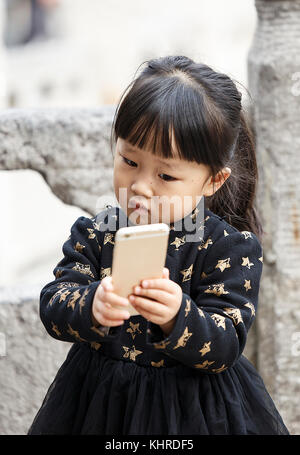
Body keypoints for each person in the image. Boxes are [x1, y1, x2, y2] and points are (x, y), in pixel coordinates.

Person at [28, 55, 289, 435]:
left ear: (213, 181)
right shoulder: (98, 232)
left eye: (166, 174)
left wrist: (178, 316)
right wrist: (92, 303)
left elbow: (227, 342)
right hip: (100, 403)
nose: (141, 186)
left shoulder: (227, 248)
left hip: (195, 411)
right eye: (129, 161)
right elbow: (54, 304)